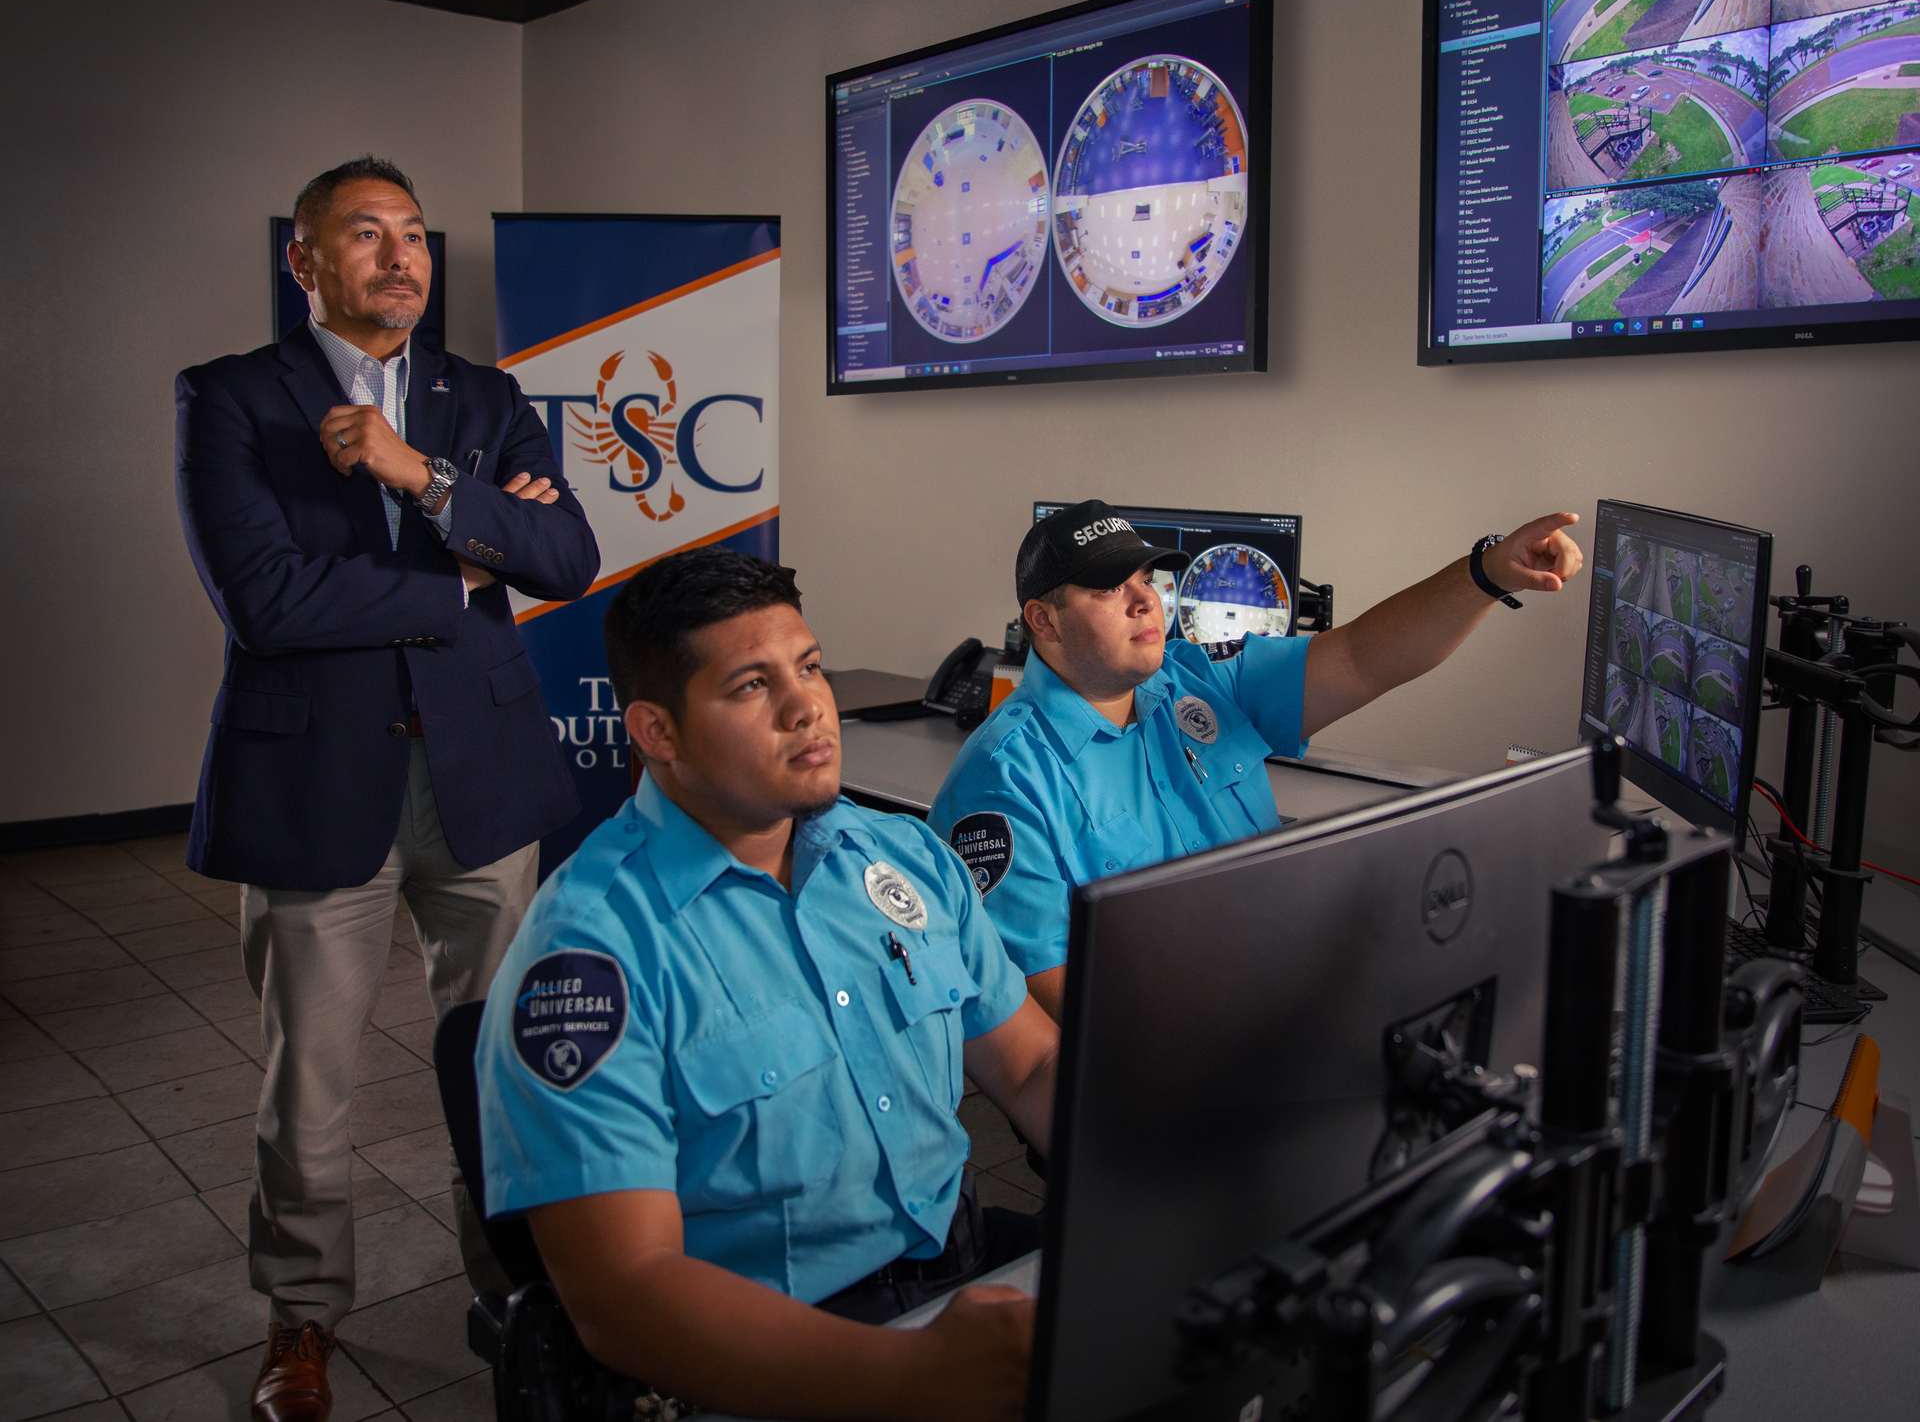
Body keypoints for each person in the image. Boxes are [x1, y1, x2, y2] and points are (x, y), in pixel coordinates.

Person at [174, 156, 600, 1422]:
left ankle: (517, 1291)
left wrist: (426, 477)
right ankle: (302, 1314)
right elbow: (267, 600)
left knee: (509, 1062)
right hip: (316, 782)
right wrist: (465, 572)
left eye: (414, 233)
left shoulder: (484, 397)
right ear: (303, 260)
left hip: (484, 777)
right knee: (308, 1081)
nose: (400, 254)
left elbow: (567, 554)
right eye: (366, 233)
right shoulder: (232, 397)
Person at [474, 548, 1058, 1421]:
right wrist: (911, 1377)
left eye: (809, 667)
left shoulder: (901, 856)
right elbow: (624, 1292)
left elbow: (1031, 1066)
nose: (806, 706)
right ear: (657, 733)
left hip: (961, 1271)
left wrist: (1170, 1156)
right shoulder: (589, 955)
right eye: (752, 685)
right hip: (772, 1349)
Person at [929, 499, 1585, 1020]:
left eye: (1146, 579)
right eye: (1108, 590)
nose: (1145, 600)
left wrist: (1486, 574)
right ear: (1043, 622)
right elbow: (1053, 1008)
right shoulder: (1005, 780)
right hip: (1187, 1058)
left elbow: (1362, 657)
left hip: (1290, 995)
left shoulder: (1193, 680)